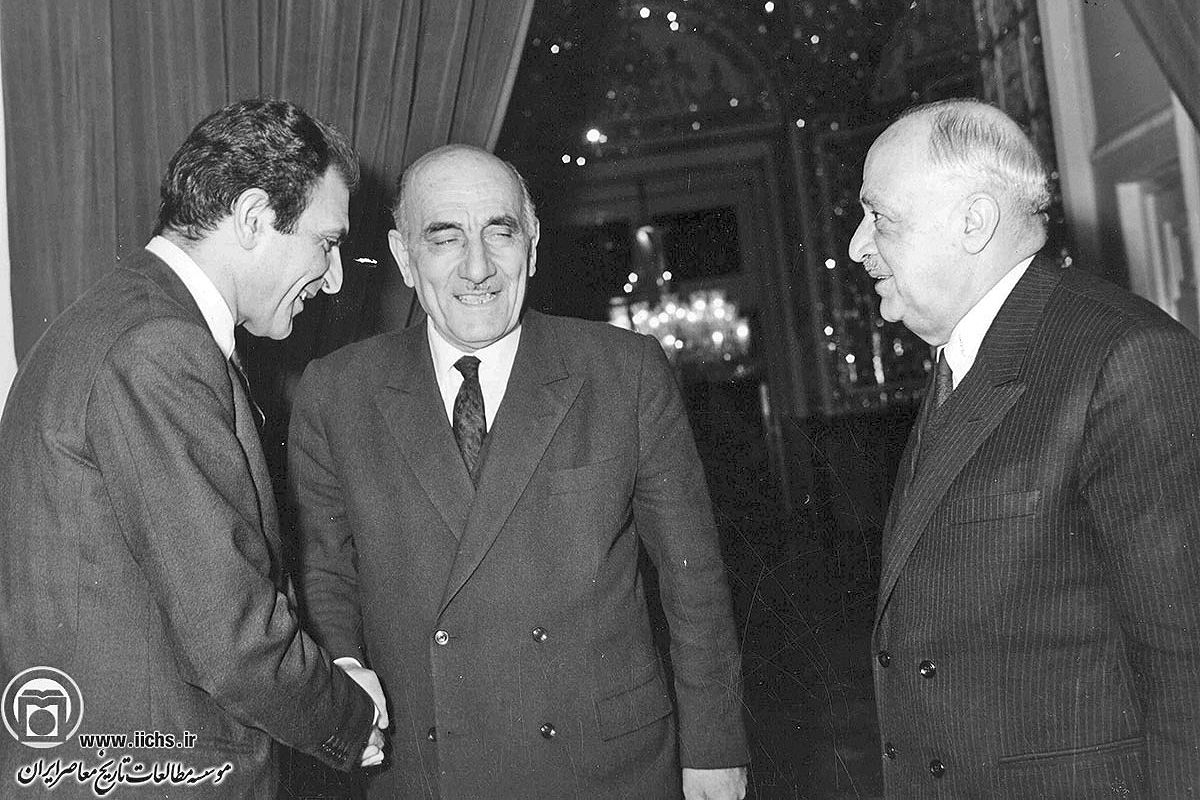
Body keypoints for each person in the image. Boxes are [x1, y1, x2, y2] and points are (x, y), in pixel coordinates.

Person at [289, 144, 750, 799]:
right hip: (425, 768)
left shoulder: (624, 371)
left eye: (499, 233)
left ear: (531, 246)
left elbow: (694, 580)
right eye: (444, 238)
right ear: (404, 258)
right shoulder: (337, 392)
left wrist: (714, 748)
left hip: (605, 767)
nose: (478, 267)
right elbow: (325, 572)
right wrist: (344, 674)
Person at [0, 99, 388, 798]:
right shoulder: (161, 346)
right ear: (253, 217)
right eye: (326, 243)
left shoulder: (123, 318)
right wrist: (351, 720)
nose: (334, 277)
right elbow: (233, 640)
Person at [850, 98, 1200, 795]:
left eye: (879, 217)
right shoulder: (966, 356)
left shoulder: (1126, 356)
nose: (859, 245)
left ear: (973, 222)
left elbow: (1186, 668)